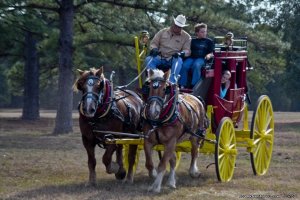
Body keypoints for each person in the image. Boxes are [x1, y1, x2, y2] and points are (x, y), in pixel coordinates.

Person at [144, 14, 191, 84]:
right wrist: (154, 49)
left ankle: (171, 83)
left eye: (179, 27)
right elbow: (153, 43)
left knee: (179, 61)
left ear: (182, 27)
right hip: (160, 56)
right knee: (148, 59)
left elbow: (187, 50)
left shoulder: (186, 37)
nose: (177, 28)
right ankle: (154, 80)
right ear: (173, 23)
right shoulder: (162, 32)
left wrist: (181, 53)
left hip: (172, 59)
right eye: (176, 25)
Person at [179, 23, 214, 89]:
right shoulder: (192, 41)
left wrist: (208, 55)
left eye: (205, 31)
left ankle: (194, 85)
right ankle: (182, 84)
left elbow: (211, 53)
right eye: (202, 32)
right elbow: (187, 50)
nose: (204, 33)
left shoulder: (209, 41)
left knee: (196, 65)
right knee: (184, 65)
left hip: (202, 58)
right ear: (197, 33)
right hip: (192, 57)